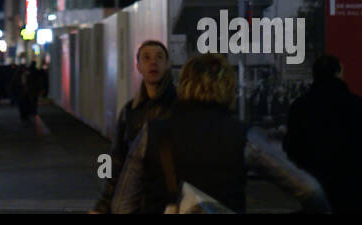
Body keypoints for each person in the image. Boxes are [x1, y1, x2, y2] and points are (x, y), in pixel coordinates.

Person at [112, 53, 330, 214]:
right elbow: (310, 190)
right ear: (228, 87)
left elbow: (122, 206)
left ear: (184, 84)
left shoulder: (153, 132)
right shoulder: (244, 137)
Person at [91, 39, 178, 214]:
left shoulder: (180, 107)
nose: (153, 62)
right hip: (136, 201)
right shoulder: (130, 111)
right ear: (138, 66)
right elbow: (115, 160)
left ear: (167, 64)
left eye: (159, 57)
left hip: (171, 202)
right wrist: (103, 203)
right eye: (146, 58)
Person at [283, 54, 362, 213]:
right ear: (338, 72)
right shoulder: (358, 105)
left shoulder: (300, 107)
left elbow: (292, 147)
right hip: (350, 185)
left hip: (314, 184)